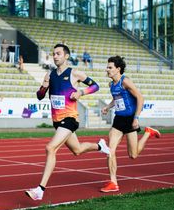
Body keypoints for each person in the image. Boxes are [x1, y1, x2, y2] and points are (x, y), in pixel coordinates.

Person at [25, 43, 110, 201]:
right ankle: (100, 146)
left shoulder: (75, 73)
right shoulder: (49, 75)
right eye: (53, 54)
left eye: (58, 53)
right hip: (57, 121)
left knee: (50, 148)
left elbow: (95, 86)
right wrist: (43, 87)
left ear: (66, 56)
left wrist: (81, 92)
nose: (55, 56)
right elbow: (39, 96)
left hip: (70, 119)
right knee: (77, 150)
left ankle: (40, 190)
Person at [100, 55, 161, 193]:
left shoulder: (125, 81)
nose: (107, 70)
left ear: (118, 69)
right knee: (110, 150)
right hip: (118, 120)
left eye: (110, 67)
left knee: (133, 155)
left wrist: (136, 118)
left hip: (130, 119)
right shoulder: (111, 85)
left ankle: (147, 133)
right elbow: (116, 99)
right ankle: (113, 182)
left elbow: (140, 97)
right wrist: (108, 107)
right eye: (107, 67)